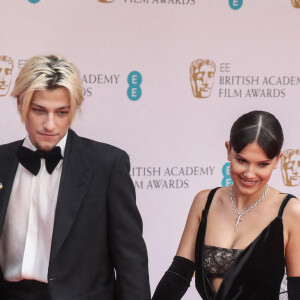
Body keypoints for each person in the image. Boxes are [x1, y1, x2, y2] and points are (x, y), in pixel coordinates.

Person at [0, 55, 151, 299]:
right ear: (20, 104)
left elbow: (131, 262)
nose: (50, 125)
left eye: (61, 112)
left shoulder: (107, 165)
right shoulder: (2, 161)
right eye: (40, 111)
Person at [152, 111, 300, 299]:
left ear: (278, 161)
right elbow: (178, 276)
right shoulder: (204, 202)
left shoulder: (291, 212)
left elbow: (297, 291)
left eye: (262, 164)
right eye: (242, 161)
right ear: (228, 150)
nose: (250, 173)